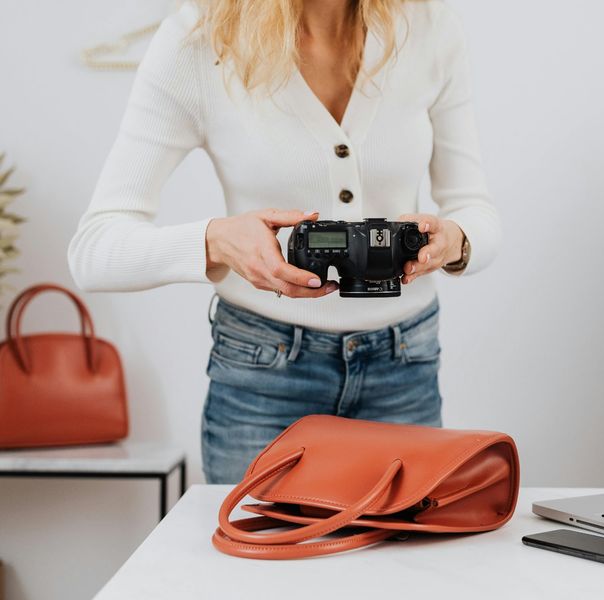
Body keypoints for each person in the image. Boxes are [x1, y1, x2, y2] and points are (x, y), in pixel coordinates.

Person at [68, 0, 500, 484]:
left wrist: (456, 241)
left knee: (409, 535)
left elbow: (474, 209)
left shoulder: (428, 27)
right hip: (263, 376)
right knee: (253, 536)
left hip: (405, 367)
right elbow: (94, 250)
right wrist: (217, 241)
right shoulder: (199, 41)